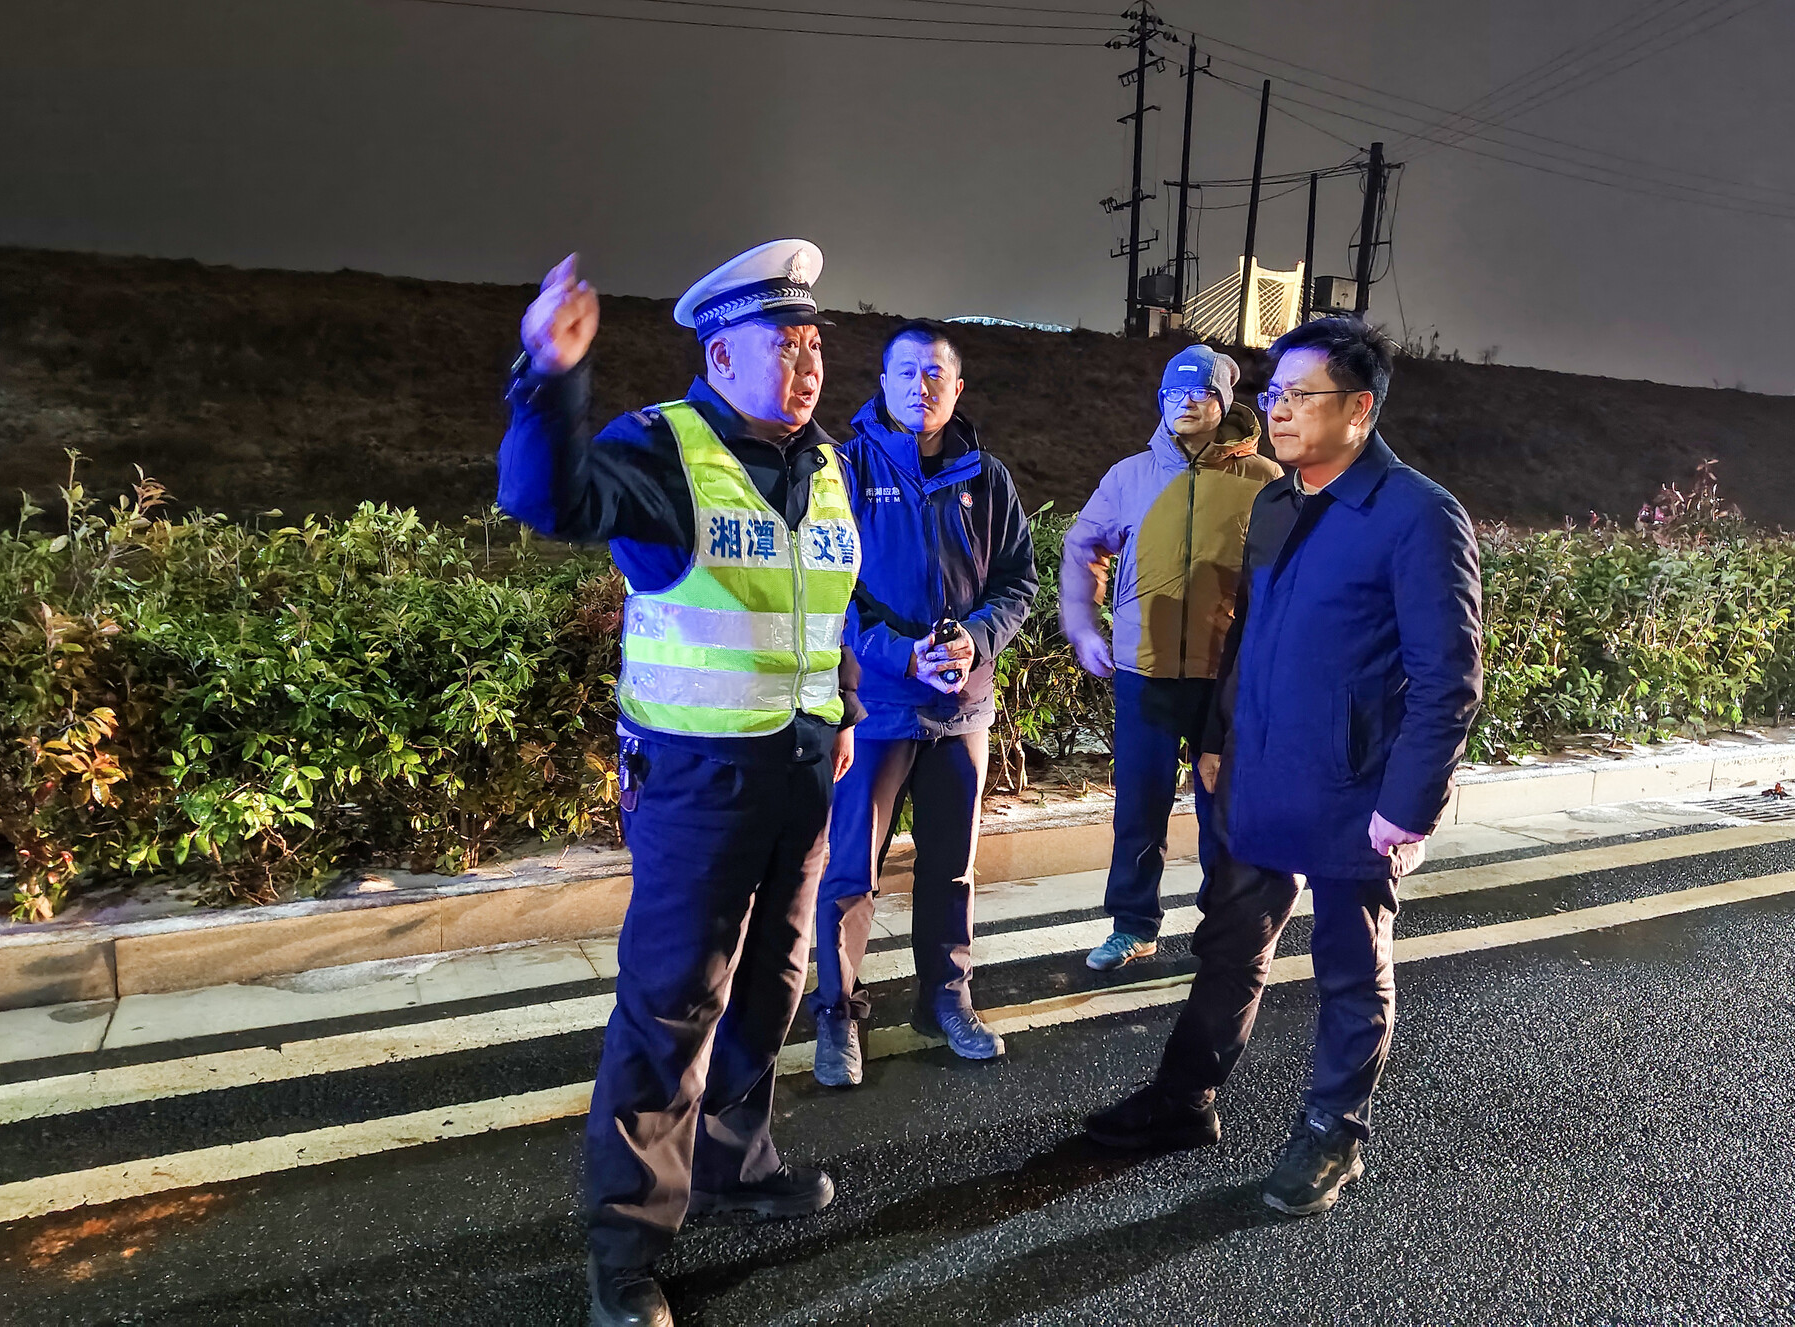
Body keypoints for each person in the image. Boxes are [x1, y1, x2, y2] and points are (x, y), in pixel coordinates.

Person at [497, 240, 863, 1327]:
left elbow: (818, 601)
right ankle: (627, 1250)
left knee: (773, 984)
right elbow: (547, 499)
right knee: (672, 1008)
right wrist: (553, 377)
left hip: (801, 770)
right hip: (701, 780)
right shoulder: (667, 449)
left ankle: (734, 1164)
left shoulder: (823, 462)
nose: (806, 366)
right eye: (782, 346)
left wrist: (838, 700)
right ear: (720, 352)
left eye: (814, 347)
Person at [1083, 316, 1484, 1219]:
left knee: (1350, 961)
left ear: (1360, 407)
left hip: (1358, 790)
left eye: (1299, 395)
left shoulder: (1417, 514)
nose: (1279, 410)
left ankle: (1334, 1130)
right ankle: (1185, 1099)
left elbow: (1448, 678)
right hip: (1260, 769)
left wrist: (1408, 810)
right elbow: (1249, 639)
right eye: (1273, 394)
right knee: (1229, 940)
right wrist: (1221, 738)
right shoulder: (1276, 502)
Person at [809, 320, 1037, 1087]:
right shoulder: (842, 470)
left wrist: (975, 638)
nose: (921, 386)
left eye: (936, 374)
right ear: (882, 380)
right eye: (906, 372)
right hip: (875, 707)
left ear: (957, 388)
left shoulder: (987, 477)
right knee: (851, 869)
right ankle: (838, 1011)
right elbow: (827, 591)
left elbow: (1019, 582)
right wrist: (898, 652)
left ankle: (946, 996)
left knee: (952, 865)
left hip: (961, 709)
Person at [1059, 344, 1282, 972]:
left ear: (1224, 403)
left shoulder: (1263, 482)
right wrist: (1083, 627)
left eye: (1203, 392)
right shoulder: (1128, 476)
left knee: (1227, 807)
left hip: (1224, 678)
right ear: (1160, 400)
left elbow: (1287, 577)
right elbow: (1082, 548)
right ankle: (1133, 924)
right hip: (1142, 670)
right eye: (1175, 392)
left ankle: (1229, 927)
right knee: (1139, 804)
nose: (1188, 402)